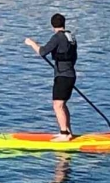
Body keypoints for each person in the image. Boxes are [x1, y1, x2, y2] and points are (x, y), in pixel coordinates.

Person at [24, 13, 78, 141]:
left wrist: (32, 43)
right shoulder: (71, 36)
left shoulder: (57, 37)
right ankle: (68, 131)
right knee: (62, 105)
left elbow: (43, 52)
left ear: (52, 25)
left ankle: (64, 134)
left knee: (57, 105)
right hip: (70, 74)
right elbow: (74, 57)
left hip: (62, 76)